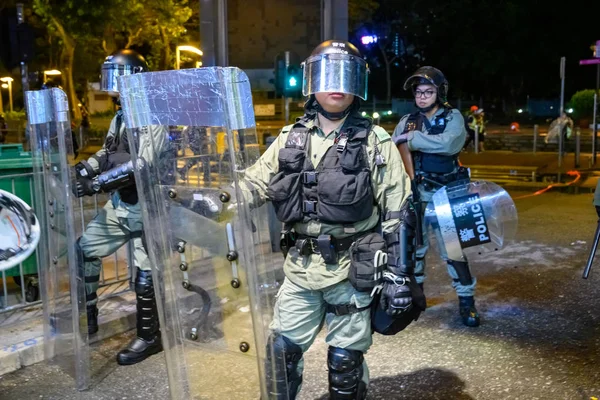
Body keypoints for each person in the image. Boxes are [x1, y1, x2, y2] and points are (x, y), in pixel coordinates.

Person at [238, 40, 423, 399]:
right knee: (280, 356)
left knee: (344, 363)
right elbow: (252, 184)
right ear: (312, 82)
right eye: (328, 74)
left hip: (351, 271)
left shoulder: (375, 140)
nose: (337, 84)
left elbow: (399, 210)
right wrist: (214, 200)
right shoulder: (290, 139)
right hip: (300, 270)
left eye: (346, 74)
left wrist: (399, 275)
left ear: (358, 85)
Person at [72, 49, 164, 365]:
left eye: (117, 77)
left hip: (147, 207)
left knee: (145, 276)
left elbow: (142, 164)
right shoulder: (121, 115)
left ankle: (150, 337)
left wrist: (96, 184)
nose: (112, 86)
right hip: (120, 205)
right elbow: (109, 150)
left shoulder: (151, 116)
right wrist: (86, 168)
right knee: (84, 250)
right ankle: (89, 318)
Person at [392, 66, 481, 327]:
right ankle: (415, 302)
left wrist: (413, 139)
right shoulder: (407, 120)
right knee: (413, 250)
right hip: (416, 195)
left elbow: (449, 144)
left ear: (439, 93)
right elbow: (394, 148)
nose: (422, 97)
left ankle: (467, 302)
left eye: (428, 92)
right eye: (418, 92)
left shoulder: (452, 117)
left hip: (446, 195)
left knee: (454, 251)